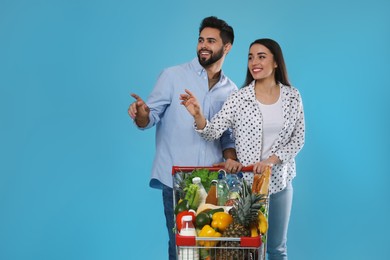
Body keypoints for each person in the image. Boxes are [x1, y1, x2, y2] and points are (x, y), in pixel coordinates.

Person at [128, 16, 242, 260]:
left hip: (214, 183)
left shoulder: (231, 91)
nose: (204, 45)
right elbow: (149, 118)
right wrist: (141, 114)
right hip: (177, 180)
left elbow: (228, 137)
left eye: (211, 41)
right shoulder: (172, 76)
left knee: (212, 249)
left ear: (227, 47)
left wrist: (231, 160)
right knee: (182, 248)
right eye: (201, 40)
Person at [180, 38, 305, 260]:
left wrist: (271, 161)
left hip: (279, 184)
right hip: (245, 189)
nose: (254, 62)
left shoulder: (292, 96)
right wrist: (198, 115)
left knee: (277, 249)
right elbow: (212, 131)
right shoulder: (239, 98)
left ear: (276, 62)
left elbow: (298, 139)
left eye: (261, 56)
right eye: (250, 57)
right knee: (245, 249)